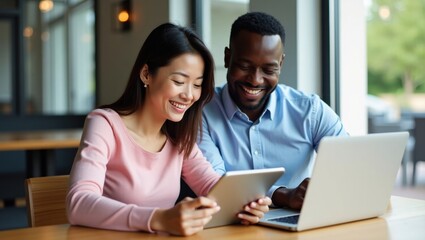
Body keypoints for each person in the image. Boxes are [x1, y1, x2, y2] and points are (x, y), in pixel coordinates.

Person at [66, 23, 271, 236]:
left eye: (197, 84)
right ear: (146, 74)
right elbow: (78, 203)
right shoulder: (105, 124)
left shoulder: (179, 136)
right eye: (179, 81)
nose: (189, 95)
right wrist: (158, 218)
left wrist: (246, 205)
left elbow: (212, 186)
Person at [197, 12, 348, 210]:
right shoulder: (201, 113)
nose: (255, 80)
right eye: (244, 66)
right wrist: (284, 195)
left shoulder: (310, 111)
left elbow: (347, 164)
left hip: (300, 223)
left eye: (269, 70)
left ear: (281, 64)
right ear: (227, 58)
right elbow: (216, 184)